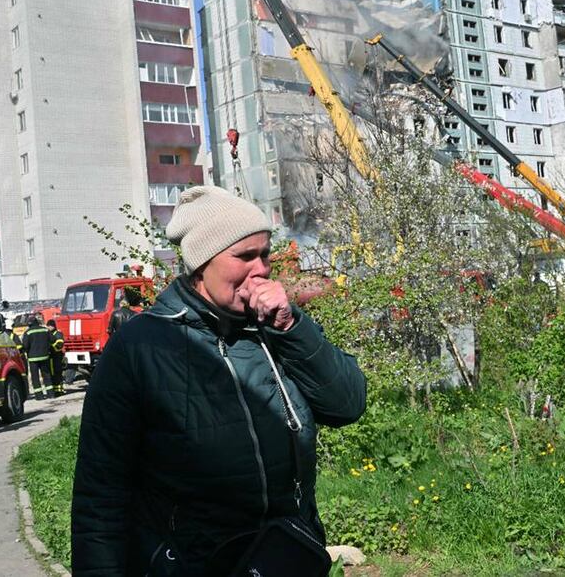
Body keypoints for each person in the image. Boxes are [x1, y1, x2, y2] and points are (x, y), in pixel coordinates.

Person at [71, 186, 367, 575]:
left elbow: (347, 404)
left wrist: (290, 328)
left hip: (285, 558)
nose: (261, 269)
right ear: (201, 265)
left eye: (265, 255)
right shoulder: (141, 347)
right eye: (244, 256)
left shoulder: (274, 329)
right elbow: (100, 495)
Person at [20, 317, 54, 400]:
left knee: (35, 377)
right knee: (46, 375)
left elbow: (25, 345)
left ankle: (39, 396)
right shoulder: (45, 330)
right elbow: (53, 340)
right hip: (45, 356)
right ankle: (50, 394)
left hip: (33, 359)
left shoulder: (28, 332)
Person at [46, 320, 65, 396]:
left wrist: (51, 348)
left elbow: (60, 344)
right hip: (51, 357)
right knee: (52, 373)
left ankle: (59, 390)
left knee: (57, 372)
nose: (48, 327)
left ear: (53, 326)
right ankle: (55, 389)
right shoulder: (49, 334)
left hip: (57, 356)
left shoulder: (58, 334)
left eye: (49, 326)